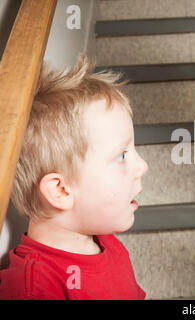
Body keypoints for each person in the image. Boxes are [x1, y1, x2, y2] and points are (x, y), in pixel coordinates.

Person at [0, 55, 149, 299]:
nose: (142, 166)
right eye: (122, 155)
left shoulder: (104, 239)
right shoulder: (34, 290)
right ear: (61, 191)